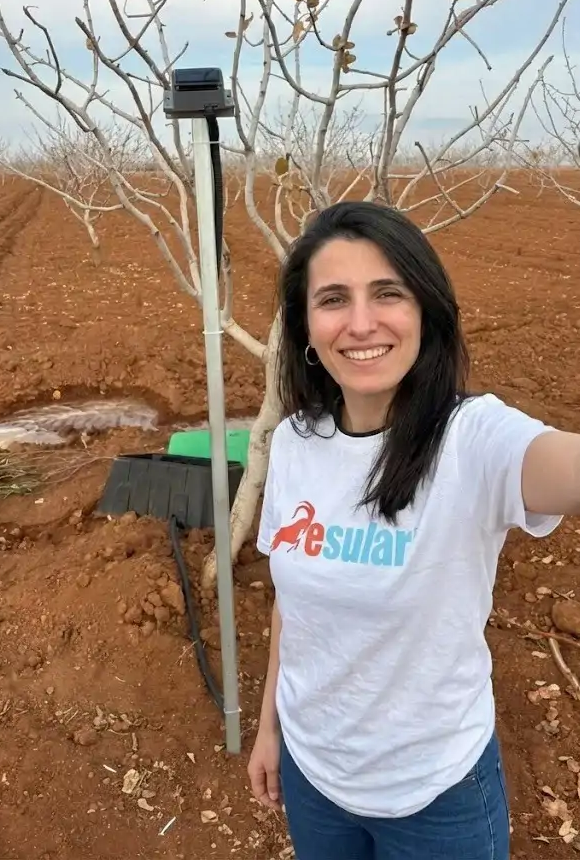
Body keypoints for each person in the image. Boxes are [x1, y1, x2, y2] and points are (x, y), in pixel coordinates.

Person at [248, 200, 579, 860]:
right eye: (333, 298)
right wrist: (268, 729)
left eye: (387, 293)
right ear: (305, 327)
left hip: (435, 795)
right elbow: (295, 602)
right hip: (315, 778)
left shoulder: (471, 440)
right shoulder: (292, 443)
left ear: (424, 311)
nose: (361, 322)